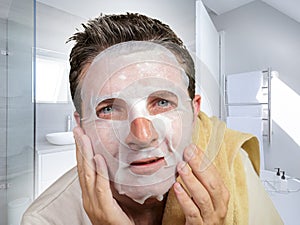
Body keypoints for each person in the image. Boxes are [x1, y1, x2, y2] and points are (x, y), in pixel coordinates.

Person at [22, 13, 283, 225]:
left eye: (162, 102)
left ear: (194, 114)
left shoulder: (234, 166)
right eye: (109, 109)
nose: (143, 136)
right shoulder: (45, 220)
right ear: (81, 128)